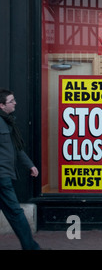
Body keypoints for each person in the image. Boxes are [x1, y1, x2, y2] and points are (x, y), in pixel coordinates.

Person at [0, 89, 40, 250]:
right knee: (16, 213)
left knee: (15, 213)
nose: (15, 103)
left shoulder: (8, 122)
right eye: (11, 101)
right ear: (2, 105)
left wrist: (30, 165)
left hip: (4, 175)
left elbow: (17, 149)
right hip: (2, 176)